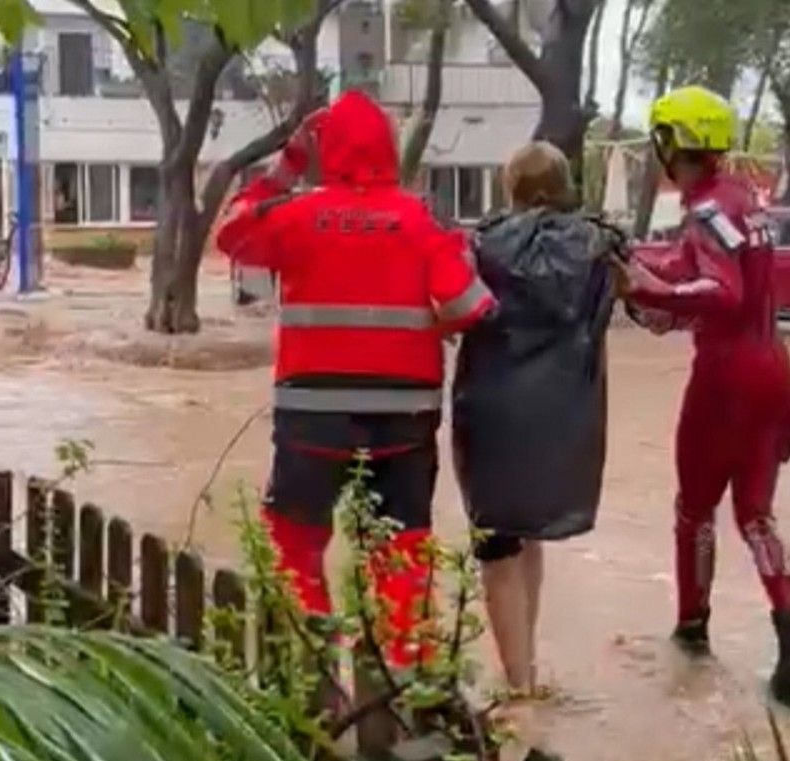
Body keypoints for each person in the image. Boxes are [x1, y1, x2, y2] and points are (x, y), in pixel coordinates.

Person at [216, 90, 494, 666]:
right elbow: (470, 307)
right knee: (402, 554)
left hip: (312, 420)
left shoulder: (296, 216)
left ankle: (311, 672)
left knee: (295, 543)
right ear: (390, 150)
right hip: (405, 422)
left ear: (327, 151)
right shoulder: (419, 221)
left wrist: (285, 166)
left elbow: (232, 234)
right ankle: (403, 684)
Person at [622, 86, 790, 707]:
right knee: (756, 515)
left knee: (694, 512)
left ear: (672, 143)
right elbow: (697, 278)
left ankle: (692, 629)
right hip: (775, 373)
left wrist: (648, 293)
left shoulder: (705, 210)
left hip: (726, 379)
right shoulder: (745, 202)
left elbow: (717, 291)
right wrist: (650, 285)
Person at [452, 142, 624, 694]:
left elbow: (452, 310)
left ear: (512, 189)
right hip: (565, 411)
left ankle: (519, 683)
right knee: (531, 533)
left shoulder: (479, 246)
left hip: (493, 407)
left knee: (498, 540)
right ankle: (529, 672)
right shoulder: (601, 246)